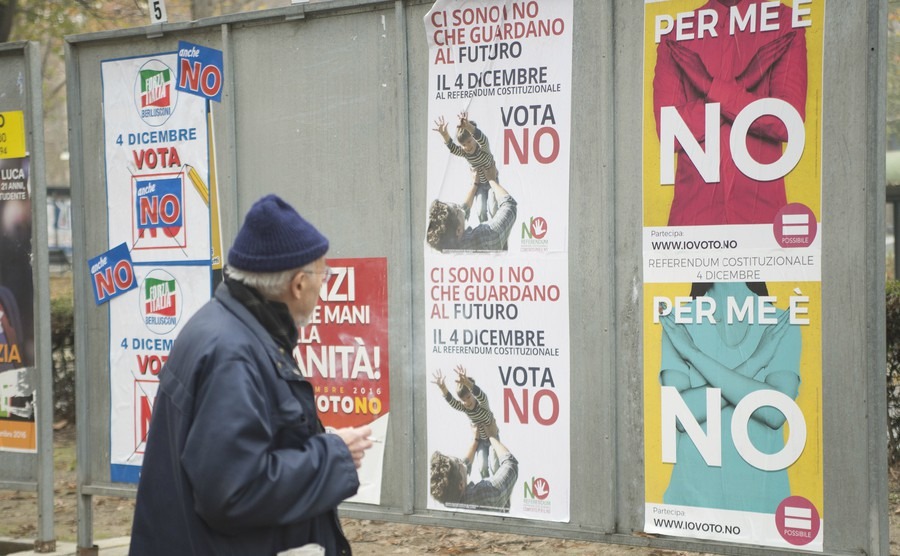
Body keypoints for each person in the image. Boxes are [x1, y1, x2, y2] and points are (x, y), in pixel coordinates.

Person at [130, 194, 373, 556]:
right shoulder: (233, 355)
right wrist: (333, 456)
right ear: (299, 284)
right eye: (323, 274)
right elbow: (233, 491)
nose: (324, 286)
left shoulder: (223, 327)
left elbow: (238, 452)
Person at [652, 0, 808, 226]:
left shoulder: (785, 24)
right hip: (692, 227)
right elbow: (670, 134)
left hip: (762, 224)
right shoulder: (675, 35)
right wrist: (742, 84)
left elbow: (786, 123)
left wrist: (708, 86)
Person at [658, 282, 800, 513]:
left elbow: (774, 412)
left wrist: (693, 354)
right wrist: (756, 361)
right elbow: (682, 416)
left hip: (762, 504)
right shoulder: (679, 323)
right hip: (691, 504)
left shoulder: (779, 323)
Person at [426, 166, 516, 252]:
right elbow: (509, 206)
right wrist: (492, 180)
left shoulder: (444, 247)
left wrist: (475, 184)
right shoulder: (484, 238)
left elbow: (462, 211)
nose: (459, 206)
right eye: (456, 208)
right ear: (458, 231)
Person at [432, 365, 499, 479]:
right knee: (482, 467)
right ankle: (487, 488)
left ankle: (500, 485)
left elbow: (482, 396)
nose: (467, 402)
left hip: (493, 438)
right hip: (482, 441)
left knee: (494, 465)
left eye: (468, 397)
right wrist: (443, 388)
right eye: (463, 400)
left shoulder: (483, 405)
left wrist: (468, 383)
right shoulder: (465, 408)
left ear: (473, 395)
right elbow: (452, 402)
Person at [429, 428, 518, 513]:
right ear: (461, 485)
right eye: (458, 461)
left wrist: (475, 441)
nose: (461, 461)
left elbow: (461, 470)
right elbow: (510, 464)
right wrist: (492, 435)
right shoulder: (483, 495)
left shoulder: (448, 500)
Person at [433, 112, 498, 224]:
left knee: (493, 208)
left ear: (474, 139)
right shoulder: (465, 153)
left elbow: (481, 137)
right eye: (463, 144)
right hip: (481, 186)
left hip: (492, 181)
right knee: (480, 211)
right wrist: (445, 134)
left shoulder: (484, 148)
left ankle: (498, 230)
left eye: (469, 142)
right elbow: (453, 148)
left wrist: (467, 125)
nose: (467, 147)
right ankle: (485, 233)